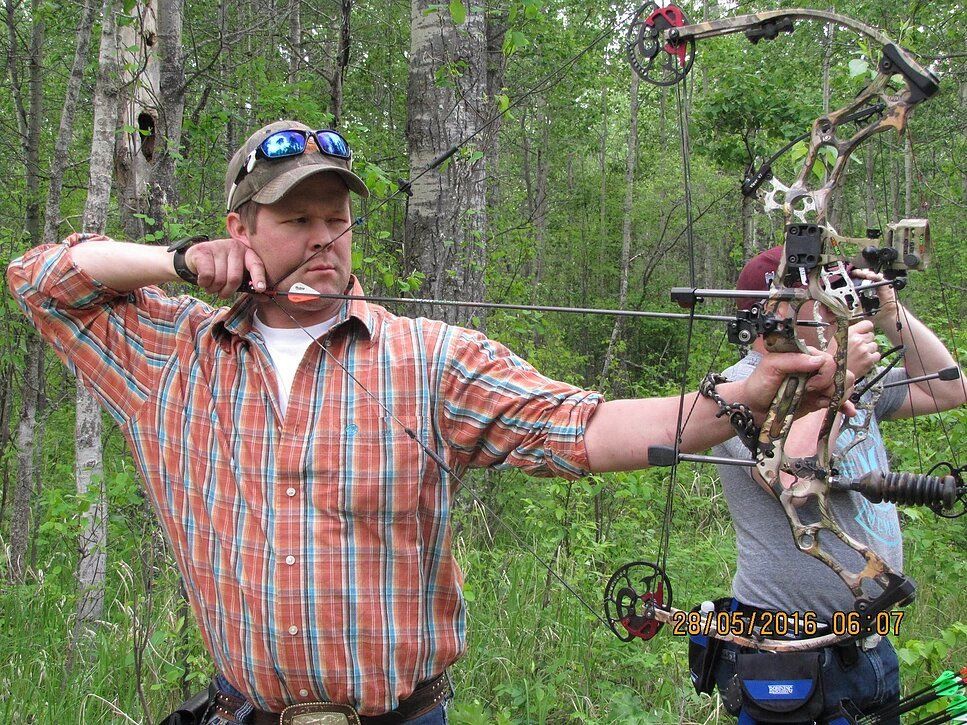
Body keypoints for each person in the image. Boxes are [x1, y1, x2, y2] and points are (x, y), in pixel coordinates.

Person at [8, 121, 848, 724]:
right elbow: (39, 278)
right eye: (295, 220)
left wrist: (750, 390)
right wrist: (177, 262)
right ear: (240, 231)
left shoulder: (427, 358)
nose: (322, 239)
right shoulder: (172, 351)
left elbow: (585, 430)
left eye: (336, 220)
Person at [709, 246, 965, 724]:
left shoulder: (844, 373)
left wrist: (891, 311)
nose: (839, 310)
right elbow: (790, 476)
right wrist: (839, 380)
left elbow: (948, 387)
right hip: (788, 645)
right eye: (825, 300)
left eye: (842, 298)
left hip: (866, 637)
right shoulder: (738, 389)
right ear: (778, 310)